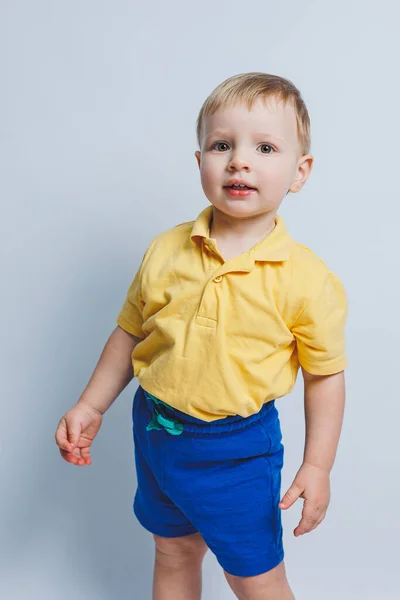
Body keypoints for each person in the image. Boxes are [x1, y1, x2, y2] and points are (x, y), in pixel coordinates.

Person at [55, 72, 348, 600]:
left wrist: (318, 464)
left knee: (254, 575)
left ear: (299, 171)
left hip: (234, 451)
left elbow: (324, 377)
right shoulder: (167, 250)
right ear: (200, 164)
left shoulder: (307, 279)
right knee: (173, 551)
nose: (239, 160)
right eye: (221, 145)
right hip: (156, 430)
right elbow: (129, 333)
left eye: (264, 147)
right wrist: (90, 404)